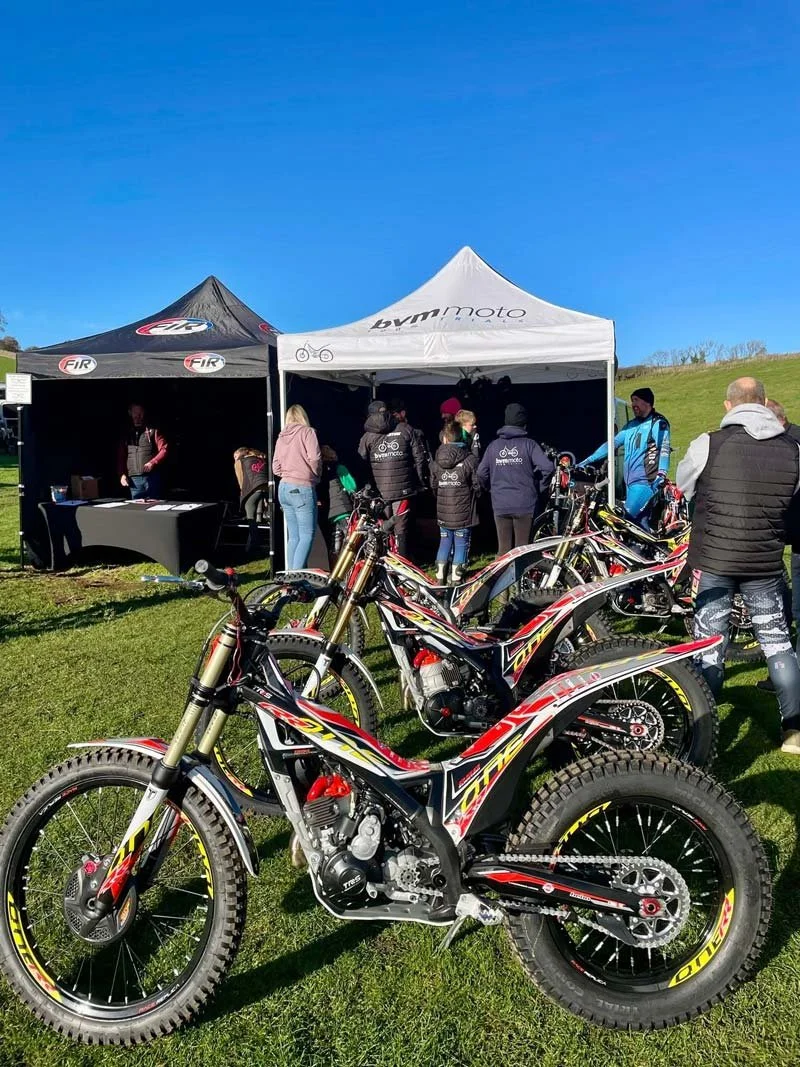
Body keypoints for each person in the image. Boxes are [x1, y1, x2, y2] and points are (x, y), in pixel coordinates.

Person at [676, 376, 800, 755]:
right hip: (764, 562)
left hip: (714, 561)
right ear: (763, 402)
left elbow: (684, 487)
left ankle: (704, 736)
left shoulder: (707, 444)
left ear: (728, 406)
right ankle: (795, 731)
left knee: (709, 646)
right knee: (778, 643)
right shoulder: (793, 449)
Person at [580, 387, 671, 528]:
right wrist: (588, 461)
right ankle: (647, 550)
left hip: (647, 482)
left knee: (627, 521)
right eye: (632, 400)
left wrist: (662, 473)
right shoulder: (630, 426)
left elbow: (664, 448)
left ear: (647, 402)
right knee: (640, 523)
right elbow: (611, 444)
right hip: (629, 484)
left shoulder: (657, 422)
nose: (633, 404)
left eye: (636, 400)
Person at [477, 402, 554, 555]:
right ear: (524, 424)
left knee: (503, 549)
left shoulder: (493, 446)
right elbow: (548, 468)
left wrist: (491, 489)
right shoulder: (529, 444)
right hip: (524, 503)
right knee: (523, 549)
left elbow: (481, 473)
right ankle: (521, 579)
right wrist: (540, 488)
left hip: (500, 502)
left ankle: (501, 578)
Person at [358, 400, 427, 558]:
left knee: (384, 526)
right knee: (401, 529)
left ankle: (384, 563)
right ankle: (401, 565)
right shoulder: (405, 428)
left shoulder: (367, 436)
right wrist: (419, 481)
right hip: (404, 489)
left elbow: (361, 460)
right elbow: (420, 458)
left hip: (380, 490)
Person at [272, 404, 322, 570]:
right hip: (301, 488)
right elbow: (315, 459)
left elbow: (275, 467)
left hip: (284, 488)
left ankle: (289, 576)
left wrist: (288, 472)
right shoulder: (308, 432)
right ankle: (296, 578)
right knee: (307, 535)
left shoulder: (281, 436)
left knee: (293, 537)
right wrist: (315, 475)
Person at [430, 423, 480, 584]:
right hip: (464, 511)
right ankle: (456, 579)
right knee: (460, 544)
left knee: (444, 542)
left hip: (443, 511)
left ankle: (439, 578)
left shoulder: (435, 460)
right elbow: (477, 485)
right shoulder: (470, 459)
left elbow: (433, 485)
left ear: (444, 438)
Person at [118, 403, 168, 500]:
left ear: (144, 413)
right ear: (130, 413)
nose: (138, 416)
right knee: (138, 509)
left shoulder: (153, 430)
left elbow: (164, 449)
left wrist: (153, 462)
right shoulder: (126, 433)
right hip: (134, 479)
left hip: (152, 477)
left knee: (155, 507)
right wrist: (122, 474)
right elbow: (121, 456)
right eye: (135, 413)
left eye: (140, 413)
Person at [321, 445, 357, 557]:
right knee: (350, 540)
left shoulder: (320, 470)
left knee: (335, 542)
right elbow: (352, 486)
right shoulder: (339, 468)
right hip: (342, 508)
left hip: (329, 512)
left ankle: (335, 567)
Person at [233, 447, 270, 555]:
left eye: (235, 456)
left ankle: (255, 546)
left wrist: (242, 492)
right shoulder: (261, 458)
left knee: (251, 518)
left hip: (253, 489)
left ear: (242, 453)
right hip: (266, 488)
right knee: (268, 517)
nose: (234, 459)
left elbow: (241, 480)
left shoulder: (240, 462)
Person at [388, 397, 431, 479]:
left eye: (395, 415)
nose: (392, 419)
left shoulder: (416, 431)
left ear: (403, 413)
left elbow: (422, 457)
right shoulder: (387, 431)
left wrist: (420, 477)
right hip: (398, 475)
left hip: (409, 475)